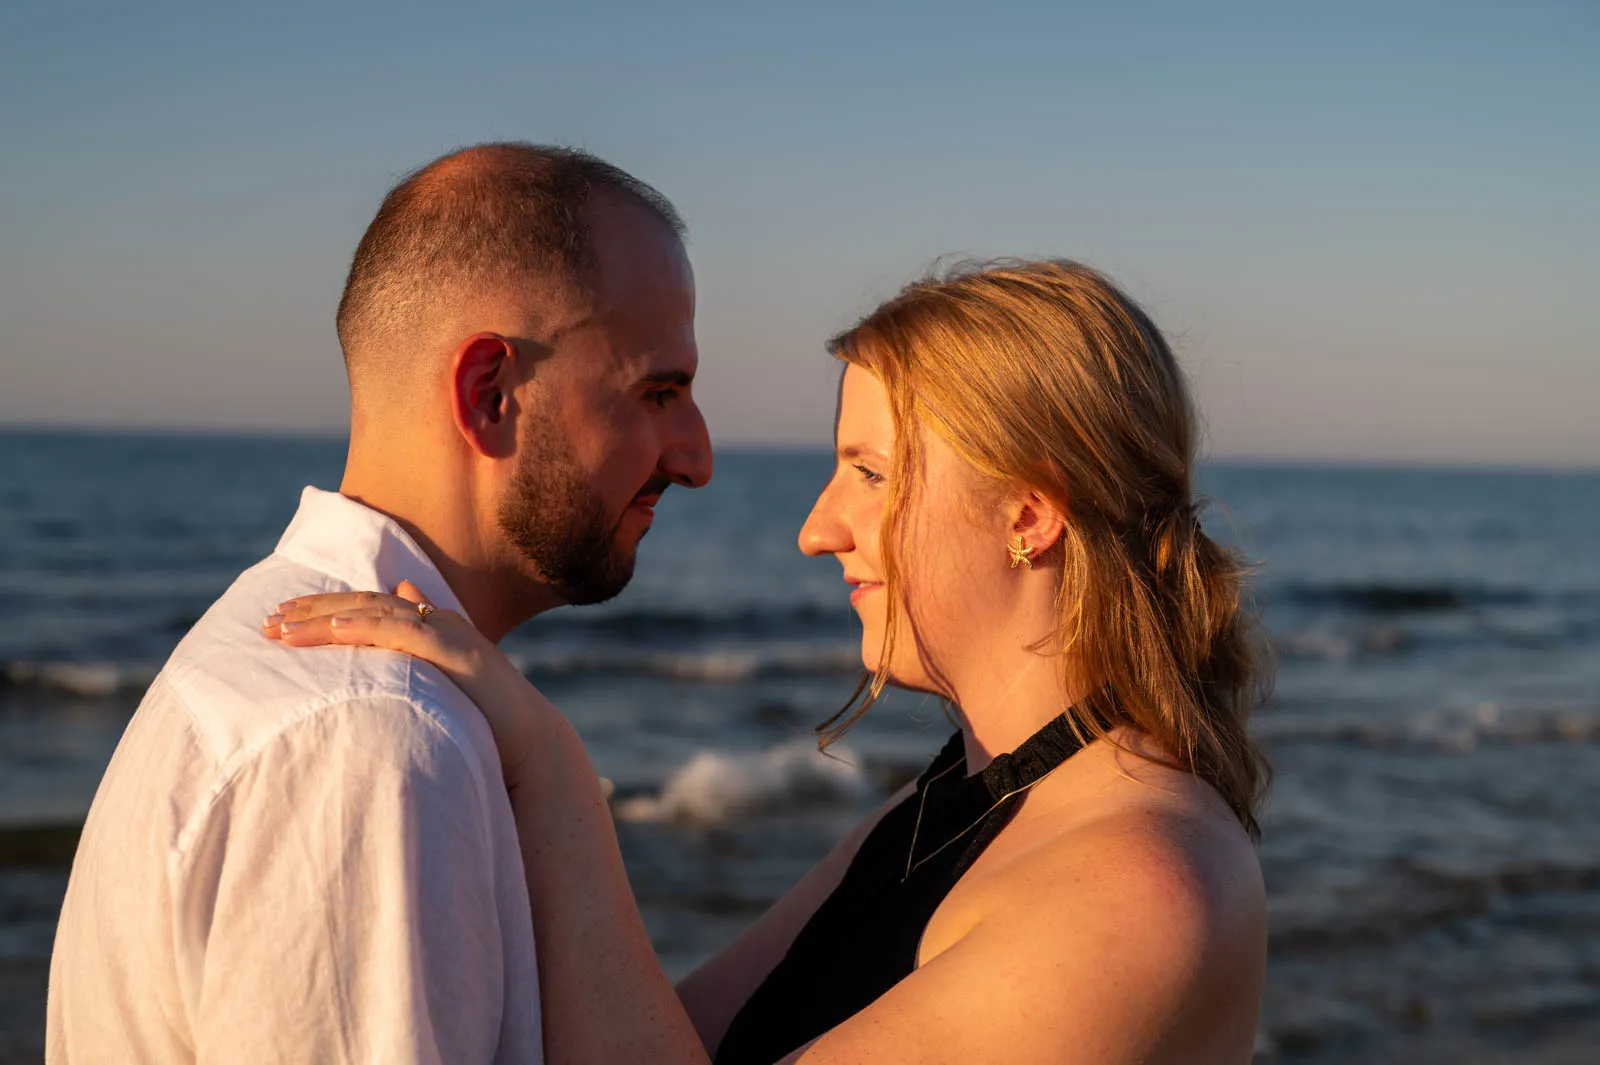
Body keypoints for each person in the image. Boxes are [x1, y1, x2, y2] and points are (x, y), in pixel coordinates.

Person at [271, 259, 1273, 1064]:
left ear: (1028, 514)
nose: (817, 530)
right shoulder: (952, 803)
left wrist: (551, 769)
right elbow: (666, 1039)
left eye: (870, 474)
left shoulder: (1135, 889)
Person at [46, 142, 712, 1063]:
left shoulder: (329, 687)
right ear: (490, 394)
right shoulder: (370, 741)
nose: (696, 458)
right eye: (658, 392)